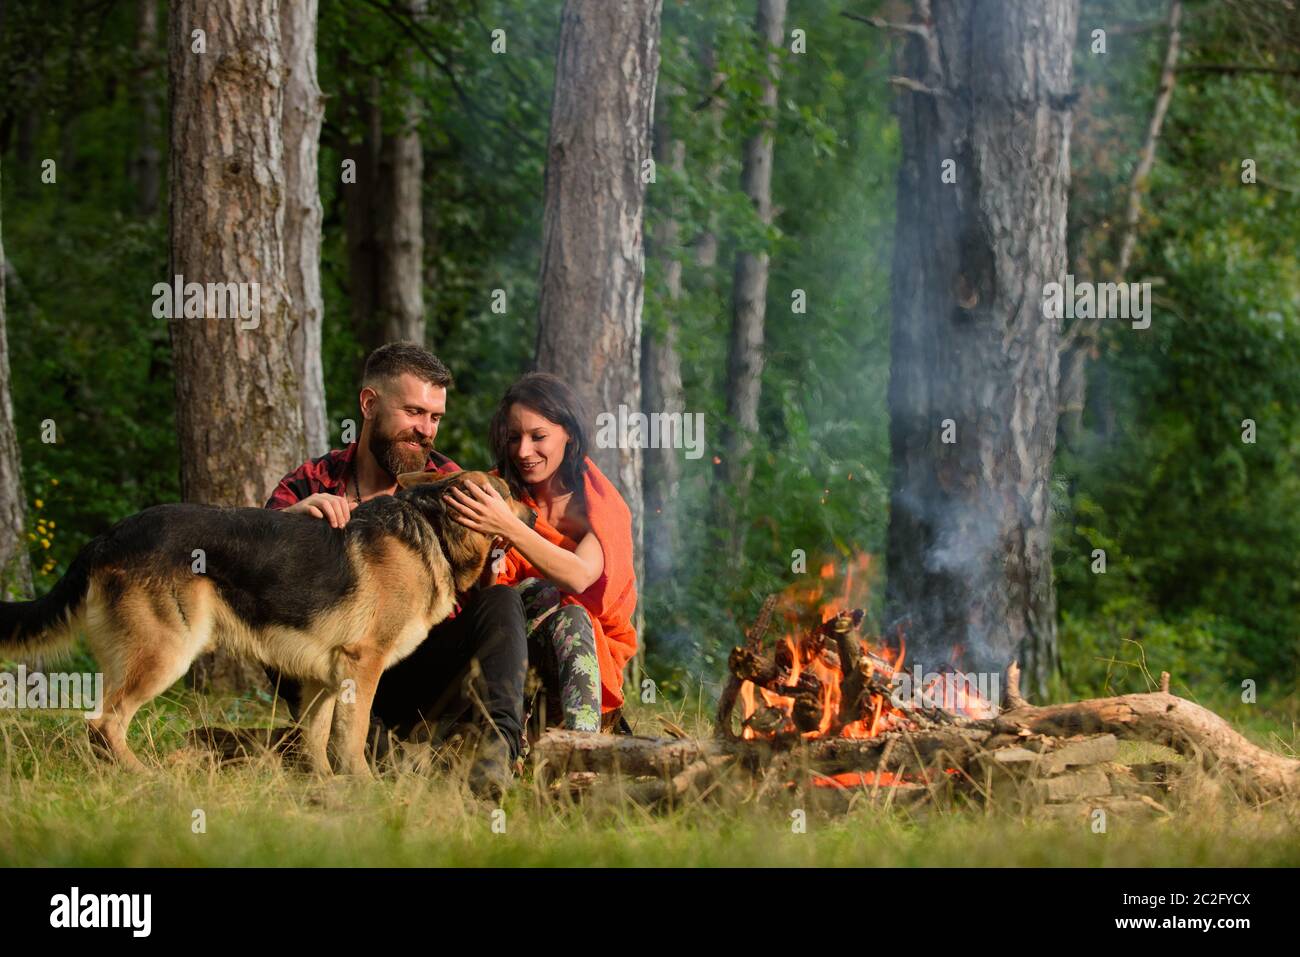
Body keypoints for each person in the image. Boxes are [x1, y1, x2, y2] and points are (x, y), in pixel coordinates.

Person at [263, 342, 527, 798]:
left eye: (435, 418)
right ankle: (376, 751)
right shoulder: (310, 481)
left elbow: (482, 590)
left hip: (415, 664)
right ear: (369, 404)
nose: (426, 430)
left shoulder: (453, 485)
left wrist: (497, 543)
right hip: (325, 665)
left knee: (503, 601)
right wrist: (291, 522)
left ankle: (496, 755)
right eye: (413, 412)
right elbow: (254, 565)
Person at [445, 372, 637, 736]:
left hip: (584, 650)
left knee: (573, 615)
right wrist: (491, 567)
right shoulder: (495, 492)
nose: (522, 452)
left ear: (569, 433)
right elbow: (483, 596)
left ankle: (581, 749)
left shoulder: (597, 503)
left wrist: (508, 525)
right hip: (505, 648)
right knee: (538, 596)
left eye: (538, 437)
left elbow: (581, 576)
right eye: (513, 437)